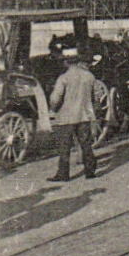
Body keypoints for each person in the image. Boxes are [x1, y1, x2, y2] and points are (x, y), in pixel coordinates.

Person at [47, 48, 99, 182]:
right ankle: (90, 171)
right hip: (84, 116)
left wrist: (53, 108)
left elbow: (55, 99)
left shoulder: (63, 78)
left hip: (66, 118)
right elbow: (96, 97)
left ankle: (63, 174)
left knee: (65, 147)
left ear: (66, 62)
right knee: (86, 144)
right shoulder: (89, 76)